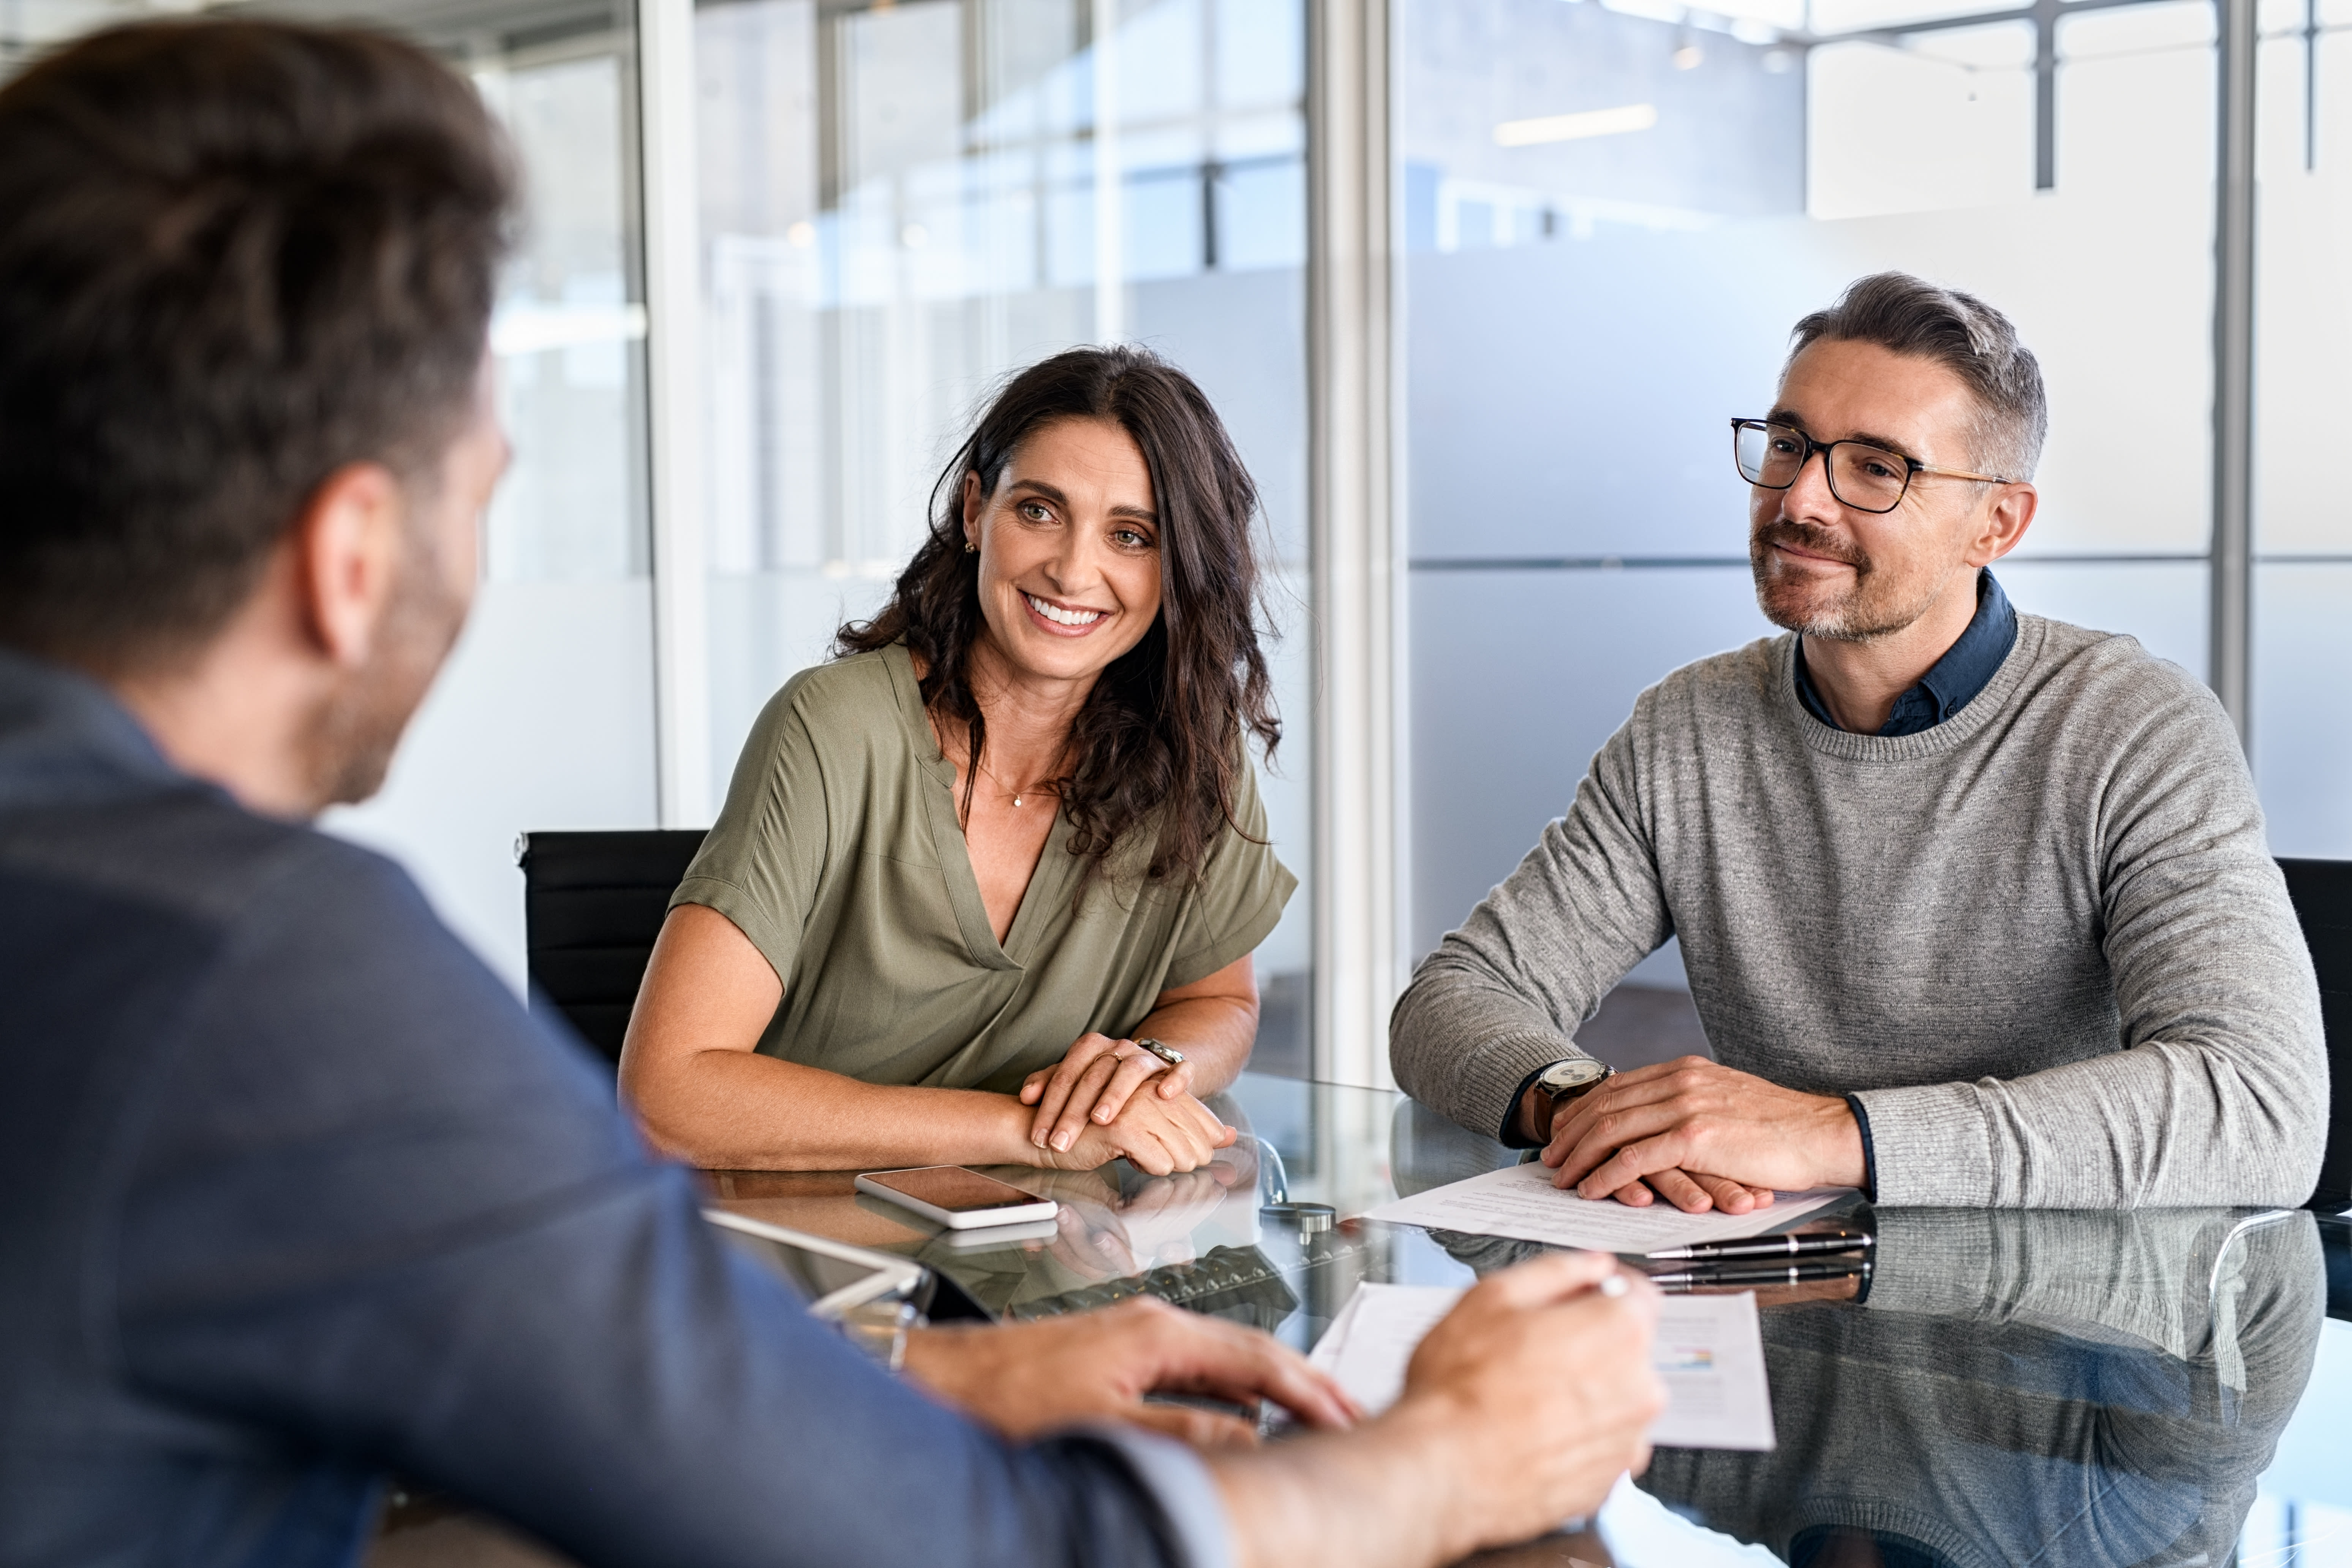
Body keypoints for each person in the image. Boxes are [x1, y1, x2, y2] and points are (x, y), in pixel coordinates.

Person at [0, 19, 1667, 1568]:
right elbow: (955, 1541)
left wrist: (934, 1387)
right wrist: (1439, 1459)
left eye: (1136, 534)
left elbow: (537, 1408)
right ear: (353, 556)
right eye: (489, 486)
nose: (1077, 565)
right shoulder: (269, 981)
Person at [1391, 272, 2328, 1214]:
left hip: (2069, 1322)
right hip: (1774, 1292)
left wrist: (1830, 1133)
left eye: (1878, 468)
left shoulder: (2133, 729)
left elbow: (2257, 1108)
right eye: (1790, 444)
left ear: (1995, 523)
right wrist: (1587, 1108)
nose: (1801, 499)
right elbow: (1453, 1000)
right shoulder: (1688, 728)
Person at [621, 346, 1295, 1175]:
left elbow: (1217, 999)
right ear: (976, 512)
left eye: (1131, 535)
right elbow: (668, 1097)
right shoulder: (833, 728)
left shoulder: (1194, 748)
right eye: (1040, 511)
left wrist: (1152, 1064)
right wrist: (1029, 1135)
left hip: (1043, 1266)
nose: (1074, 570)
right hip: (796, 1260)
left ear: (1178, 565)